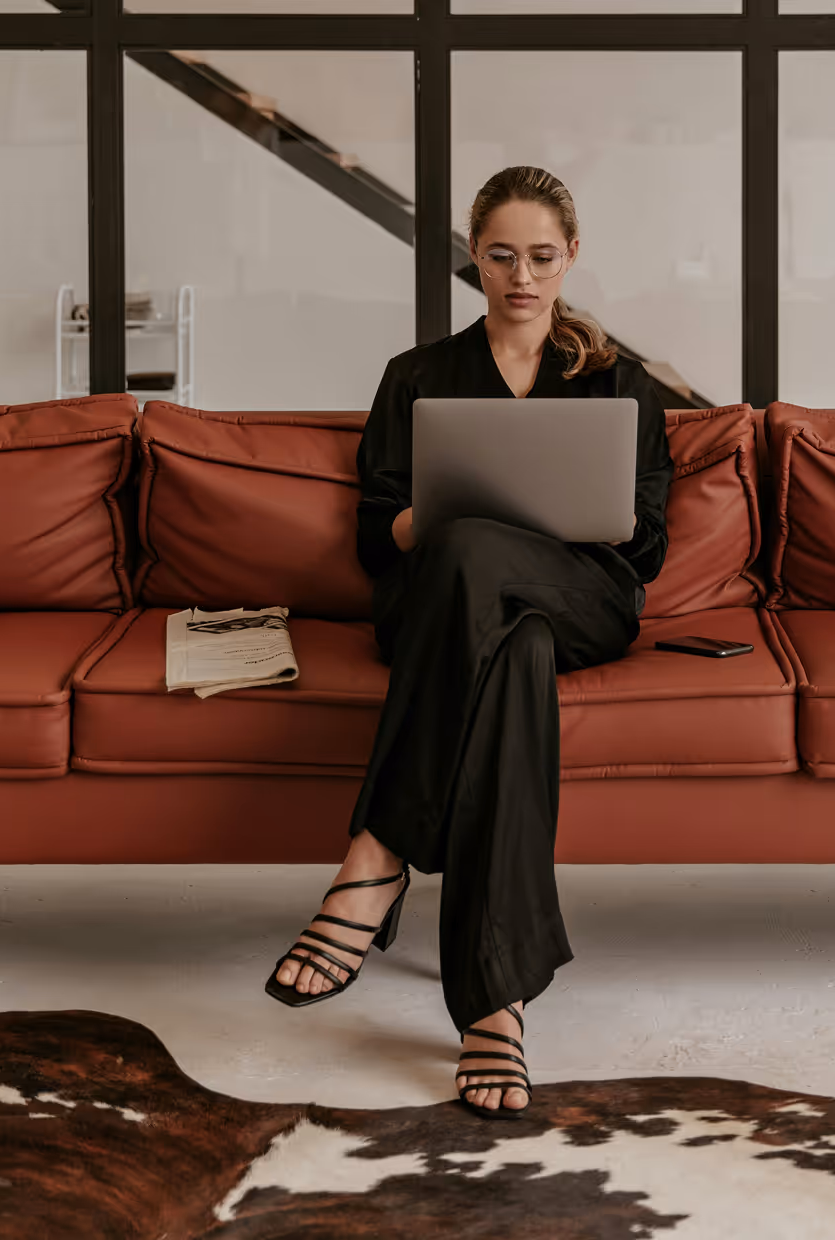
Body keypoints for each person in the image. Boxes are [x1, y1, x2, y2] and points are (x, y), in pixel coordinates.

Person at [265, 165, 674, 1119]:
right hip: (451, 610)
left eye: (540, 256)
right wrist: (435, 524)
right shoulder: (417, 377)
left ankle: (376, 851)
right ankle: (496, 996)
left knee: (491, 564)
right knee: (509, 645)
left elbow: (646, 544)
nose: (520, 276)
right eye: (500, 255)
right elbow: (378, 534)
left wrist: (562, 517)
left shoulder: (621, 381)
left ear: (571, 257)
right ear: (474, 259)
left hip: (584, 596)